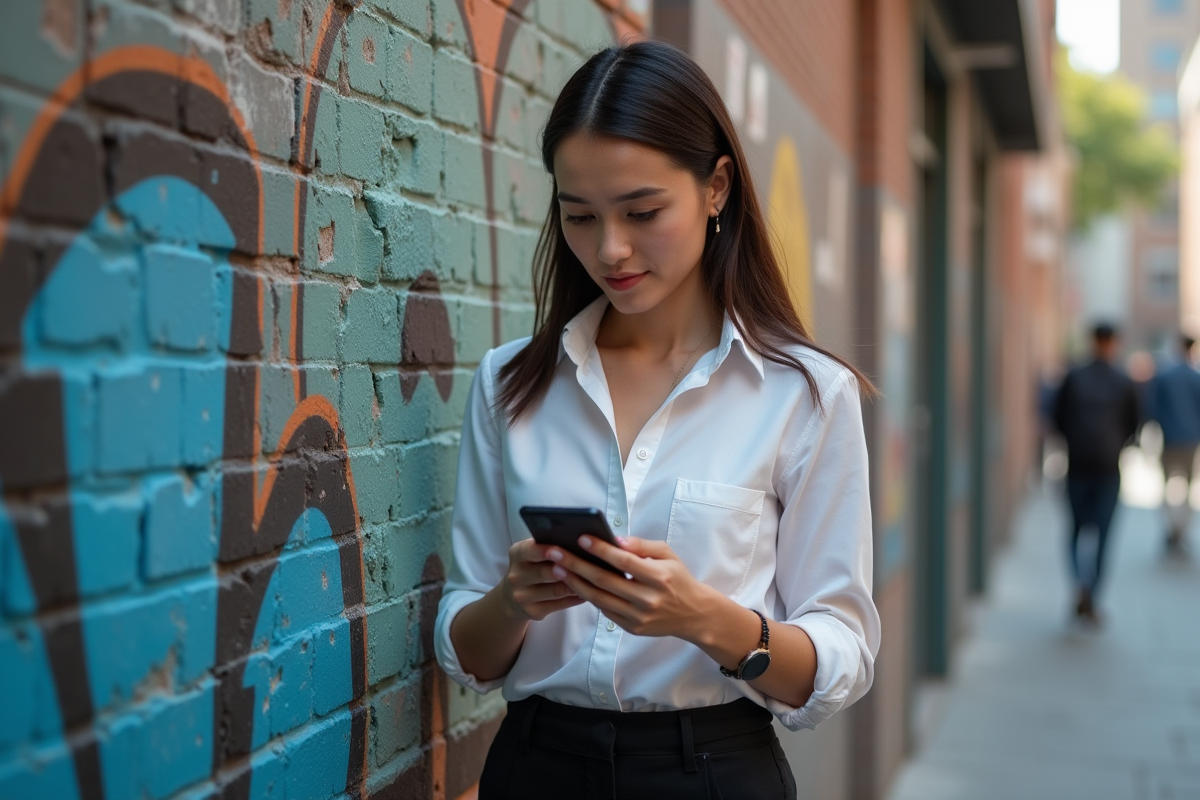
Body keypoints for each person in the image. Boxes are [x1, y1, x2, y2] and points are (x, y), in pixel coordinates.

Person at [433, 41, 880, 799]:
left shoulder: (805, 394)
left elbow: (842, 657)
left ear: (717, 188)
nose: (610, 249)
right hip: (535, 770)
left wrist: (706, 618)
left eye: (642, 212)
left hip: (711, 771)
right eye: (580, 216)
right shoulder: (512, 384)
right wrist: (513, 601)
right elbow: (469, 653)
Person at [1052, 323, 1140, 624]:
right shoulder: (1123, 381)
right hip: (1107, 468)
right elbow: (1135, 427)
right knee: (1103, 534)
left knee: (1076, 530)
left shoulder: (1074, 377)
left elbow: (1057, 420)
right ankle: (1091, 592)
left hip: (1078, 465)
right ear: (1114, 343)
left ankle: (1080, 584)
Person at [1147, 334, 1200, 553]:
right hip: (1190, 441)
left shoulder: (1164, 376)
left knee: (1167, 487)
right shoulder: (1196, 377)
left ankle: (1172, 529)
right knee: (1187, 489)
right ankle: (1181, 530)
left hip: (1170, 439)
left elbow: (1152, 410)